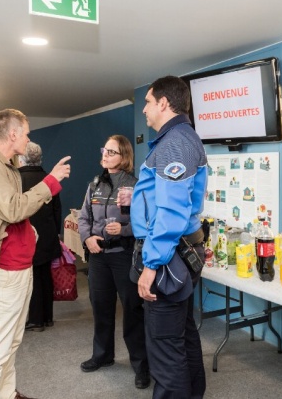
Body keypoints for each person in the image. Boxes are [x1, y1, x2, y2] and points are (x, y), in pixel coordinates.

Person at [0, 108, 71, 399]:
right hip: (5, 270)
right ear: (12, 134)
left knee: (11, 342)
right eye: (26, 133)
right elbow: (13, 209)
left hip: (19, 266)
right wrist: (50, 182)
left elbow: (10, 212)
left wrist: (31, 233)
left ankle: (7, 393)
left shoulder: (5, 166)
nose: (28, 138)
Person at [130, 76, 208, 398]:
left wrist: (151, 265)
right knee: (182, 334)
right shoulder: (178, 138)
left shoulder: (175, 142)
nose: (145, 109)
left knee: (164, 347)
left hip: (167, 256)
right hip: (176, 251)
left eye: (148, 102)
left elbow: (171, 212)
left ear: (163, 103)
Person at [78, 135, 149, 389]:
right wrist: (87, 239)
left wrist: (125, 229)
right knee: (101, 308)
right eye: (104, 149)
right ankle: (102, 355)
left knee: (132, 311)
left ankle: (141, 365)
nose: (105, 155)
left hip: (123, 256)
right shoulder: (95, 184)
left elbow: (146, 222)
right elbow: (84, 217)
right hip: (98, 257)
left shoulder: (135, 186)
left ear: (124, 157)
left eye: (111, 151)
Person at [18, 142, 62, 332]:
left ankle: (35, 319)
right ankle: (47, 317)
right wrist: (56, 232)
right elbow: (56, 209)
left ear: (21, 158)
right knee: (45, 275)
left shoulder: (16, 179)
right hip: (48, 232)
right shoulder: (48, 178)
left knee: (33, 277)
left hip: (27, 234)